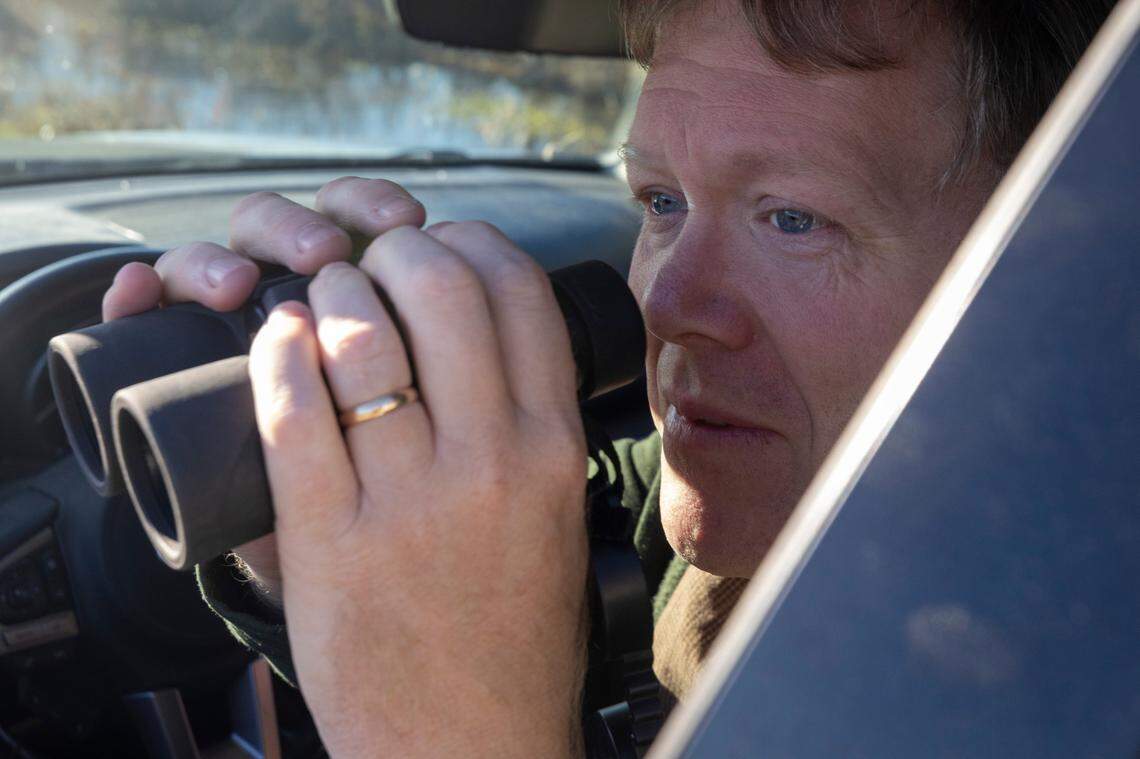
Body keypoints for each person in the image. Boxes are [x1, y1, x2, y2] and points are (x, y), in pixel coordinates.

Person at [100, 0, 1113, 755]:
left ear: (1050, 266)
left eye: (792, 218)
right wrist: (306, 524)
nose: (669, 305)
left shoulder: (1079, 686)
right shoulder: (726, 505)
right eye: (662, 200)